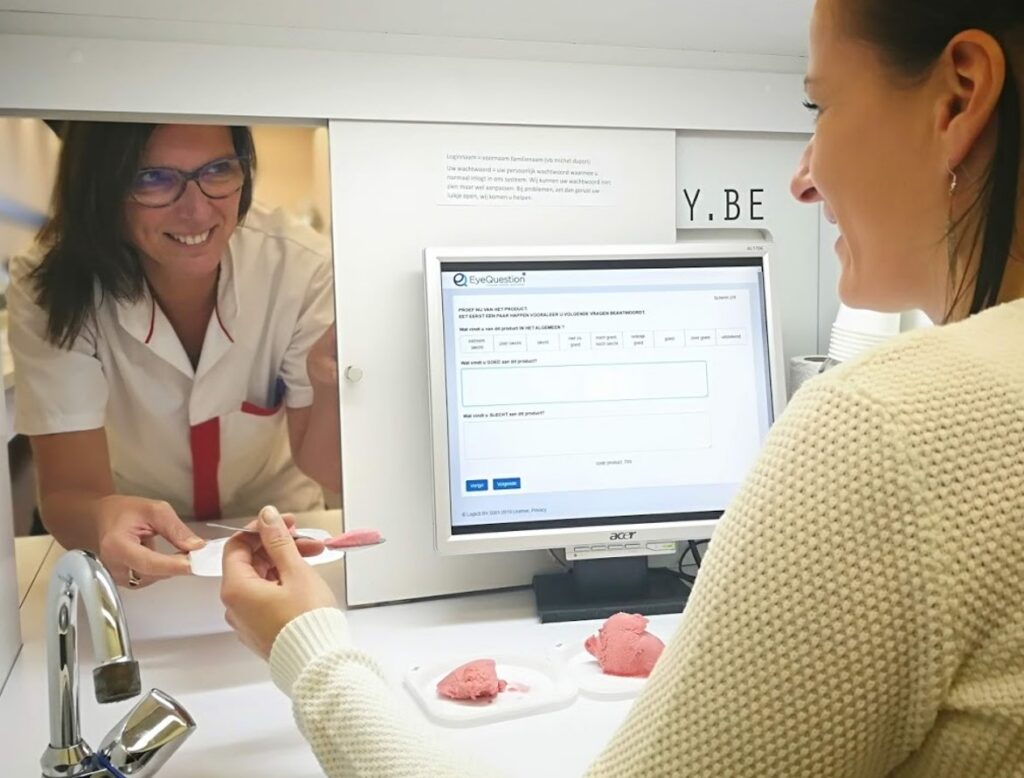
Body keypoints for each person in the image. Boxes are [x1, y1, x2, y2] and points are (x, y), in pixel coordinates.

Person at [220, 0, 1024, 774]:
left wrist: (311, 649)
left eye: (821, 106)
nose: (802, 180)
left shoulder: (886, 429)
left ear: (959, 96)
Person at [8, 122, 341, 589]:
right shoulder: (52, 285)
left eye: (219, 169)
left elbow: (330, 468)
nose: (197, 210)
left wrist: (329, 381)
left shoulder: (300, 268)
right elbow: (69, 493)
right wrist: (101, 520)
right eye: (153, 178)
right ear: (102, 184)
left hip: (281, 537)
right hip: (142, 550)